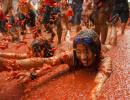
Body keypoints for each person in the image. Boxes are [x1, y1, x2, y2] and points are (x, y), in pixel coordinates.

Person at [0, 29, 112, 99]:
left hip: (105, 47)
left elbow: (99, 81)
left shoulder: (105, 59)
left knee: (109, 46)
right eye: (79, 52)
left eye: (87, 51)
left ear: (96, 51)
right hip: (64, 46)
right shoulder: (71, 55)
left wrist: (93, 95)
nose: (83, 57)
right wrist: (10, 65)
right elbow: (48, 62)